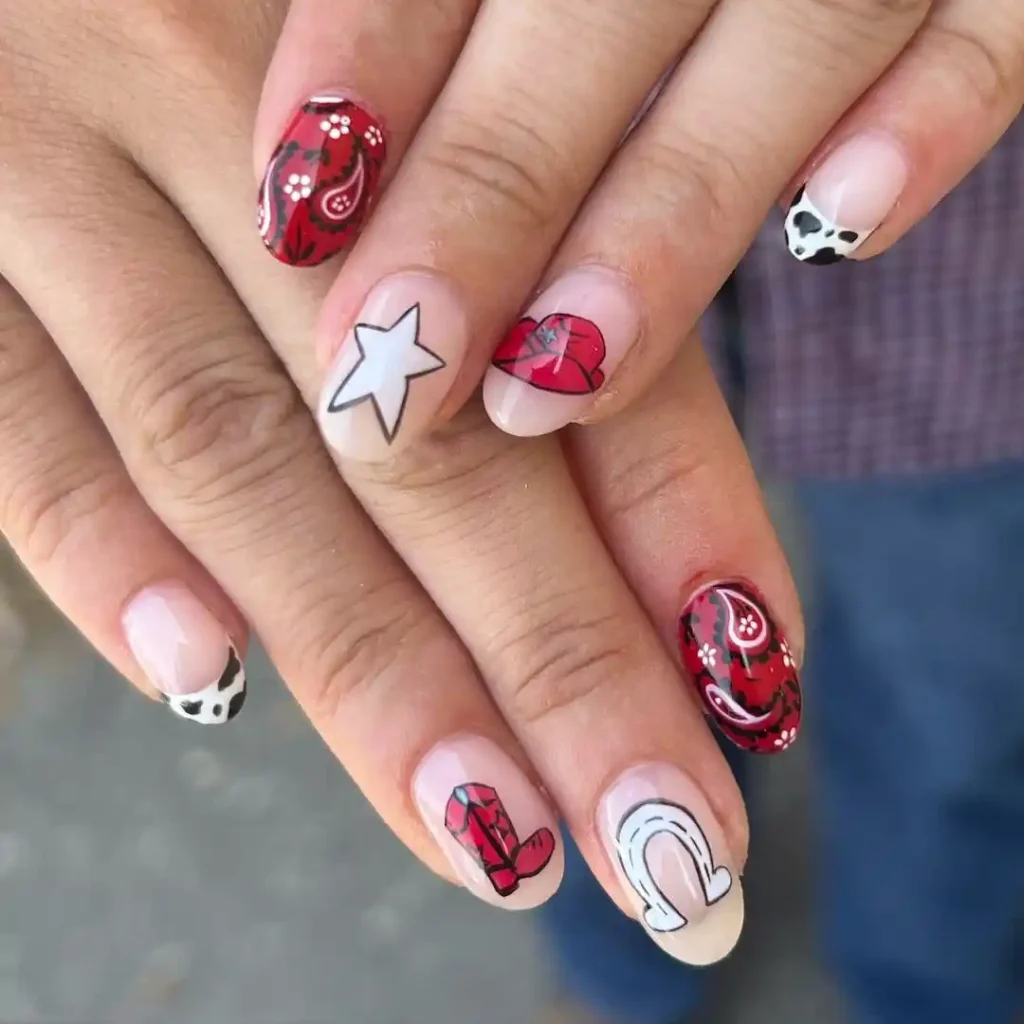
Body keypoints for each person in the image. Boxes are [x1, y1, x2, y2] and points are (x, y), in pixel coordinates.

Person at [0, 0, 1022, 1019]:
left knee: (952, 691)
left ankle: (928, 985)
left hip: (967, 230)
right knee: (536, 656)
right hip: (379, 92)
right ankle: (625, 975)